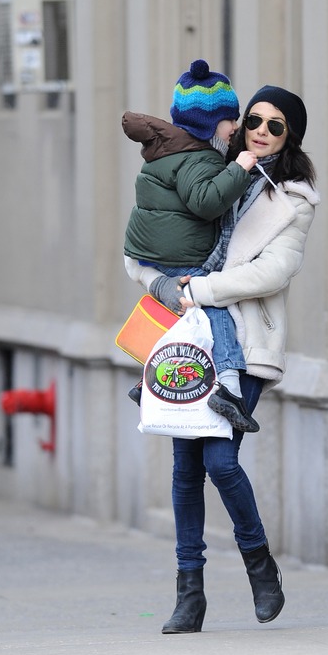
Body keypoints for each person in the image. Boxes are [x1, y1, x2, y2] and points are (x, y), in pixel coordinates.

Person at [126, 84, 320, 634]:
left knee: (219, 462)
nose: (260, 130)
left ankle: (260, 565)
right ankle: (190, 592)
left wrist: (201, 289)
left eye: (275, 125)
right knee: (185, 470)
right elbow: (148, 243)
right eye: (253, 118)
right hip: (188, 336)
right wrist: (161, 285)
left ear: (291, 136)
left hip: (246, 342)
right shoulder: (205, 169)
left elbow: (273, 272)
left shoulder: (296, 199)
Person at [123, 59, 259, 432]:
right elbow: (204, 201)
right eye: (230, 119)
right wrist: (239, 169)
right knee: (212, 310)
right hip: (179, 254)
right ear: (208, 123)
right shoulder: (198, 158)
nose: (236, 127)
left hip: (152, 250)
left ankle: (147, 378)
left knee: (178, 318)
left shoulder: (169, 150)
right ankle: (229, 387)